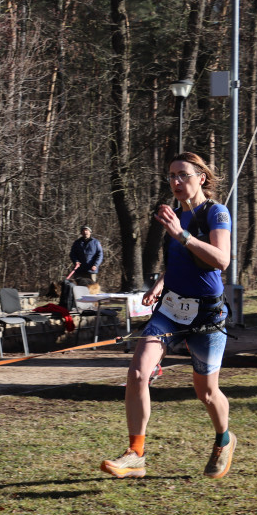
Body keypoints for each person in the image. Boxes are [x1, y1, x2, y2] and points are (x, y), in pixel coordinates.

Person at [100, 152, 234, 480]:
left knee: (206, 392)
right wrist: (161, 283)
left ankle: (224, 439)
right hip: (171, 309)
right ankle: (136, 454)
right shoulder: (174, 215)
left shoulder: (216, 213)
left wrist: (182, 235)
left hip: (207, 315)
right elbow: (179, 259)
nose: (175, 181)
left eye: (183, 175)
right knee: (137, 373)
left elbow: (221, 260)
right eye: (171, 175)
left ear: (201, 177)